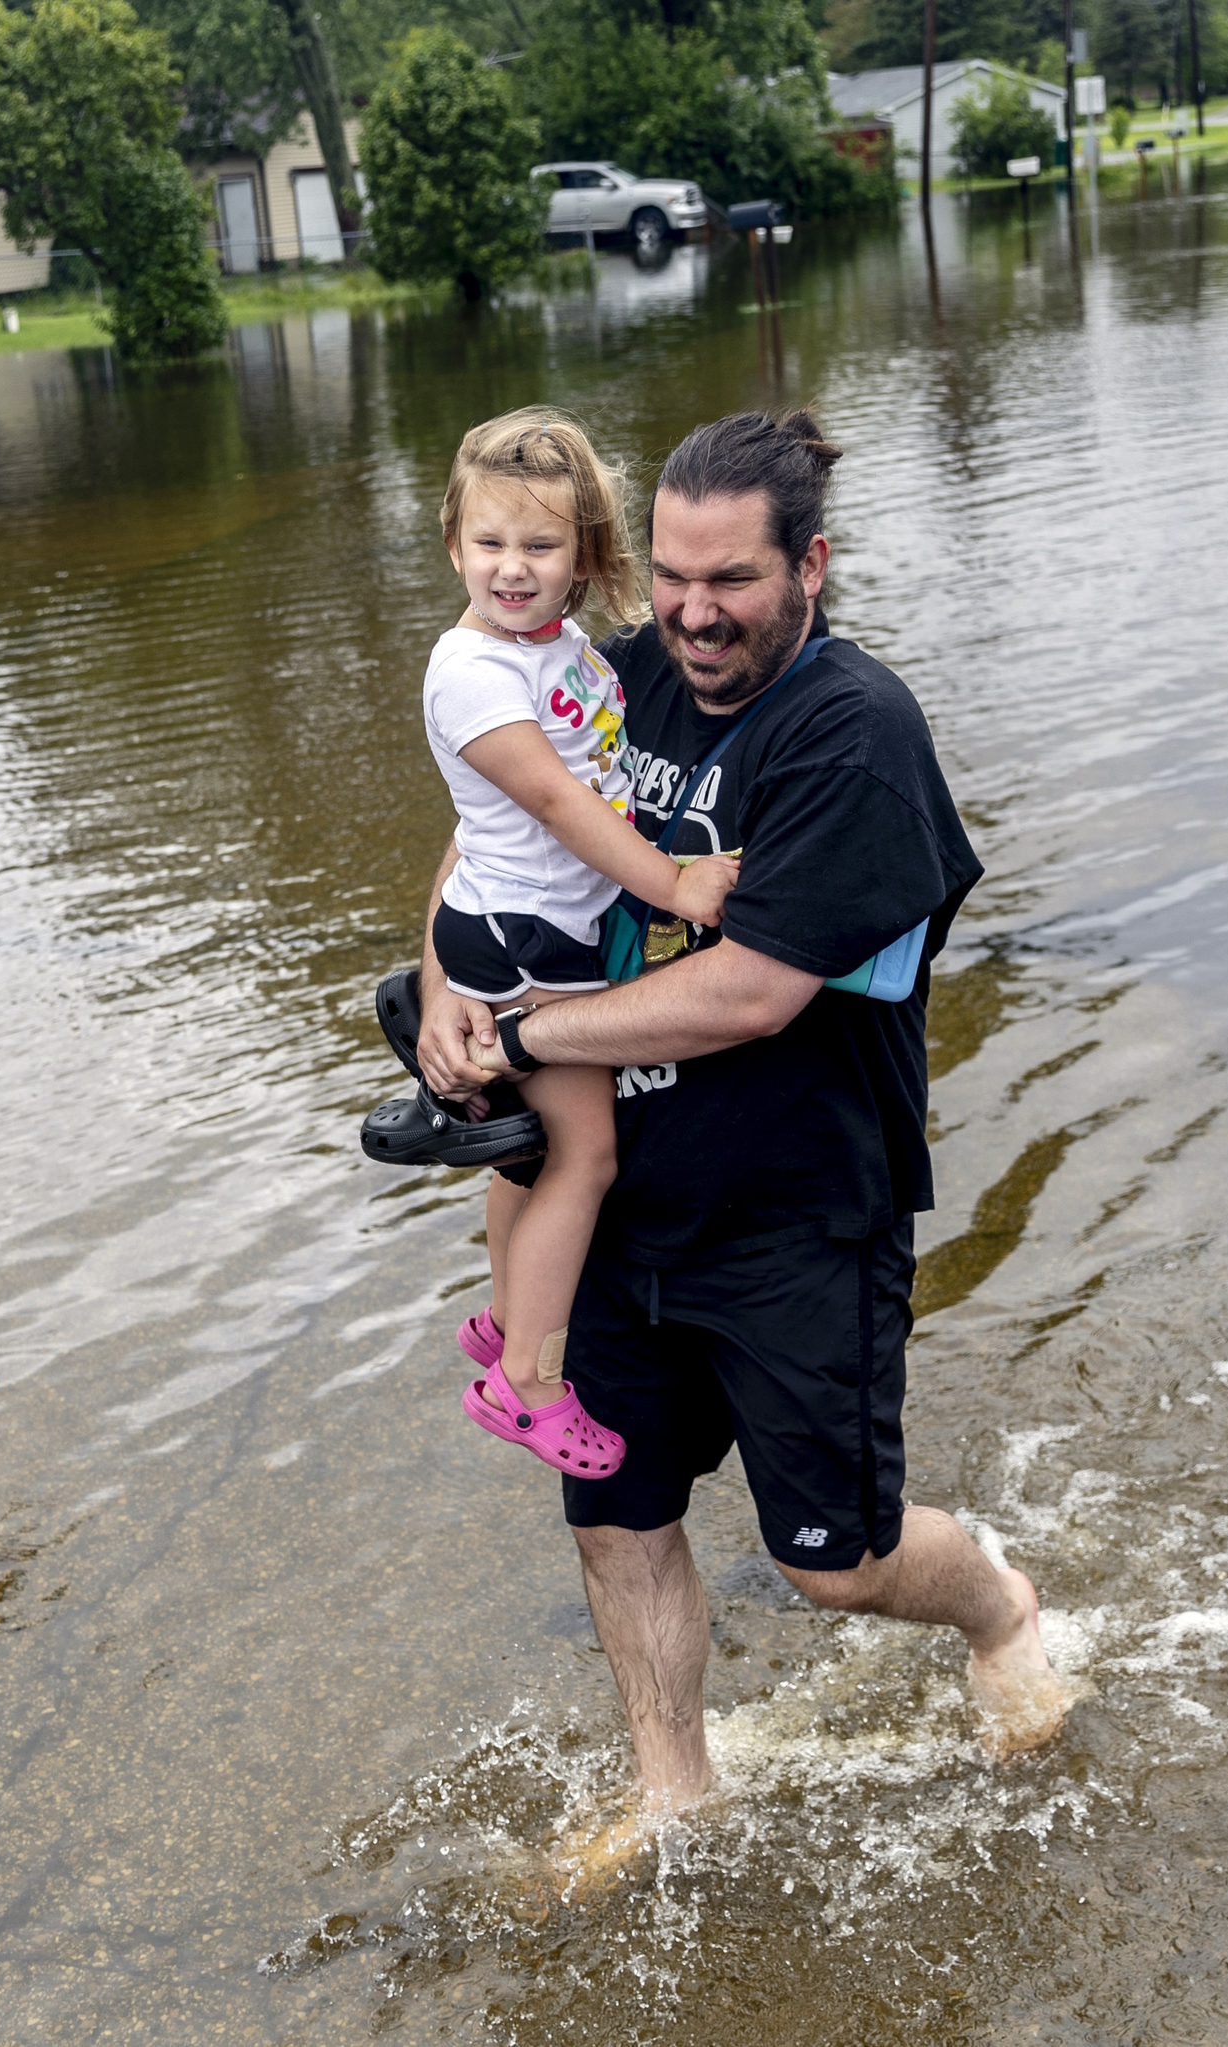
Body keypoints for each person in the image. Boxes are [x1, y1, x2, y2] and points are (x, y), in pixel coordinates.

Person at [414, 409, 1072, 1869]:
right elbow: (501, 809)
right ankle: (676, 1796)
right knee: (621, 1514)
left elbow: (752, 990)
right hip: (619, 1208)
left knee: (834, 1563)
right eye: (669, 578)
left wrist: (519, 1042)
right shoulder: (618, 668)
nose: (694, 616)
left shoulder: (857, 737)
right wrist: (451, 978)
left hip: (794, 1212)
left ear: (812, 566)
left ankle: (997, 1606)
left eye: (732, 583)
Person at [419, 409, 742, 1480]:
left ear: (586, 558)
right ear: (454, 543)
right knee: (583, 1157)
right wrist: (678, 885)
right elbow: (557, 803)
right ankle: (530, 1380)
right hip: (524, 938)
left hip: (522, 923)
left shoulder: (555, 647)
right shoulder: (472, 671)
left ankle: (508, 1310)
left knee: (529, 1151)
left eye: (540, 546)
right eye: (490, 543)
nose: (512, 569)